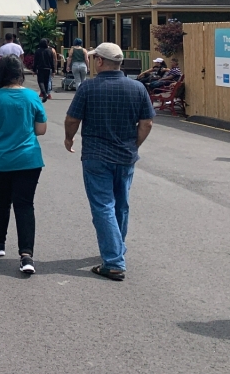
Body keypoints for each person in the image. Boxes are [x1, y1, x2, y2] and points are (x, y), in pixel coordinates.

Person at [64, 42, 155, 281]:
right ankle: (117, 247)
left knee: (103, 205)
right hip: (125, 155)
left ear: (101, 61)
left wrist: (68, 138)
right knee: (121, 204)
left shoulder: (88, 88)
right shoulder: (137, 88)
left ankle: (114, 261)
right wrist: (135, 144)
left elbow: (72, 119)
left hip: (96, 154)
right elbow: (147, 123)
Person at [0, 55, 47, 275]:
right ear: (21, 73)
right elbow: (41, 129)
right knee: (25, 205)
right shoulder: (32, 97)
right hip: (29, 159)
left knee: (0, 200)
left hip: (1, 159)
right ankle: (26, 255)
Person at [33, 38, 56, 103]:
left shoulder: (38, 51)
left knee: (40, 81)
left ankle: (44, 93)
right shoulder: (49, 51)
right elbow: (52, 61)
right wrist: (53, 70)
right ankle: (45, 93)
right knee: (46, 81)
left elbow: (35, 61)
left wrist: (34, 70)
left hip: (40, 68)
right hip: (48, 68)